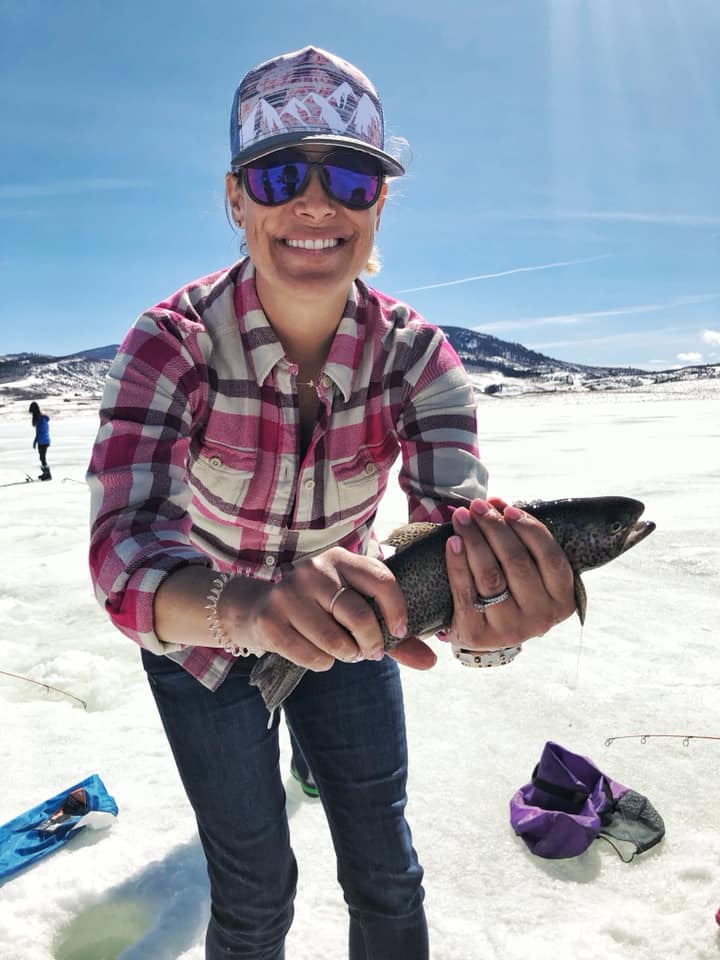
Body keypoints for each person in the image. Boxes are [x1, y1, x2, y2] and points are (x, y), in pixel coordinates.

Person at [87, 45, 575, 960]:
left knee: (387, 872)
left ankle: (313, 749)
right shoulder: (171, 343)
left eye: (350, 177)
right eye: (278, 173)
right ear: (236, 199)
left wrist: (492, 613)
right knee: (254, 889)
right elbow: (125, 553)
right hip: (200, 643)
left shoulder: (420, 360)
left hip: (355, 629)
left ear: (378, 204)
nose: (315, 203)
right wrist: (250, 608)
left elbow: (449, 533)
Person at [29, 401, 51, 480]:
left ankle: (48, 475)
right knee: (42, 458)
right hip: (44, 440)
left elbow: (40, 432)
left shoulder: (40, 418)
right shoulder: (41, 417)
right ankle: (45, 473)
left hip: (43, 441)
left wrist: (35, 441)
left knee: (42, 458)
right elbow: (40, 432)